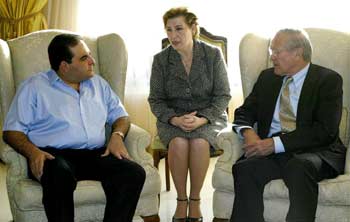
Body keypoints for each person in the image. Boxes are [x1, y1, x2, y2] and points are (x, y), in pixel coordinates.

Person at [2, 34, 146, 222]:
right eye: (84, 58)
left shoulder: (98, 84)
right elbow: (11, 131)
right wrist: (32, 152)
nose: (92, 61)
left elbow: (121, 115)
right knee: (59, 177)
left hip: (95, 154)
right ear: (64, 66)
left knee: (133, 173)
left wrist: (117, 135)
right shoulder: (34, 87)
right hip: (53, 156)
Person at [230, 28, 347, 222]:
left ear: (297, 53)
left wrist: (273, 144)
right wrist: (249, 133)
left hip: (316, 152)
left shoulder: (328, 80)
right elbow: (244, 112)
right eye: (270, 52)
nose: (272, 57)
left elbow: (325, 131)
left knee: (299, 166)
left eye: (276, 52)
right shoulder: (268, 78)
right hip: (275, 153)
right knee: (244, 168)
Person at [148, 7, 231, 222]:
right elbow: (155, 100)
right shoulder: (160, 60)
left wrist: (202, 118)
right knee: (178, 144)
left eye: (179, 29)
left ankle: (195, 201)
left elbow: (223, 95)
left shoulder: (213, 55)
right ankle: (181, 200)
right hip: (172, 118)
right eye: (169, 30)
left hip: (208, 116)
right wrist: (174, 119)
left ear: (193, 28)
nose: (173, 36)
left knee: (199, 143)